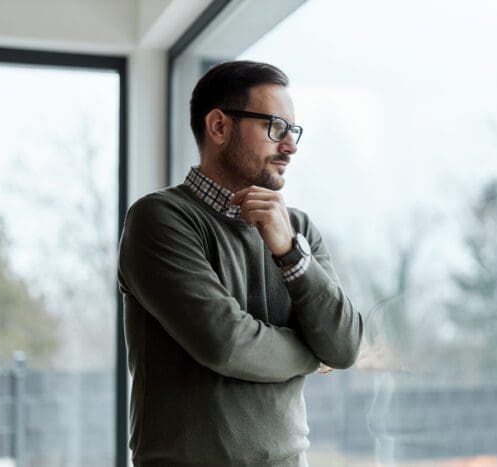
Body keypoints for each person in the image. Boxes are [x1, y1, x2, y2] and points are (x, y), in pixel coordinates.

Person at [117, 60, 363, 467]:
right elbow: (227, 343)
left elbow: (346, 345)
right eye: (275, 127)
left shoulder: (296, 228)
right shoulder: (159, 219)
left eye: (293, 131)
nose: (291, 146)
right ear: (218, 127)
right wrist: (314, 355)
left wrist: (289, 253)